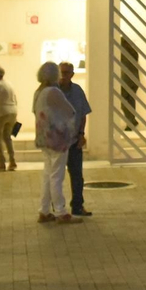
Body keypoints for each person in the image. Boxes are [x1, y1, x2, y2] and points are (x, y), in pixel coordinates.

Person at [33, 62, 78, 223]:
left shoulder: (38, 92)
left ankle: (44, 210)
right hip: (57, 138)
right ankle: (61, 211)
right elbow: (69, 110)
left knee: (47, 174)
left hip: (44, 138)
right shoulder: (53, 92)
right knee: (56, 175)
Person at [59, 61, 93, 217]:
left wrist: (81, 134)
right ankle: (58, 208)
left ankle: (78, 206)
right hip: (58, 142)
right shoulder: (52, 92)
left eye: (66, 73)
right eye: (61, 72)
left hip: (73, 141)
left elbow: (83, 114)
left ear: (72, 74)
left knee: (77, 176)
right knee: (56, 177)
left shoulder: (78, 91)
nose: (63, 76)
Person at [119, 34, 141, 130]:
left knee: (122, 101)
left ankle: (131, 121)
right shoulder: (133, 52)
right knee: (131, 101)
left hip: (126, 79)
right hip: (135, 79)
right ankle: (132, 121)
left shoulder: (120, 52)